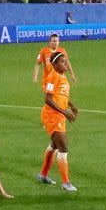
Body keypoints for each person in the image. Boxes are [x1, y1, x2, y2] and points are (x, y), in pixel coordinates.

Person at [35, 52, 79, 192]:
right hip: (51, 116)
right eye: (61, 62)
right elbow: (48, 99)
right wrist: (65, 111)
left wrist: (71, 106)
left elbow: (62, 94)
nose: (65, 64)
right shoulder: (53, 76)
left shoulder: (63, 76)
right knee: (63, 147)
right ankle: (66, 183)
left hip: (58, 115)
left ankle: (43, 175)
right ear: (54, 65)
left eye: (65, 61)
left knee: (54, 145)